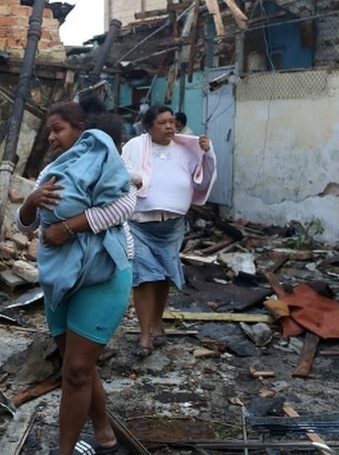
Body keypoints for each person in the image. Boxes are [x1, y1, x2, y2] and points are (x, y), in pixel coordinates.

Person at [16, 102, 134, 455]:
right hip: (60, 274)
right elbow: (26, 225)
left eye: (58, 129)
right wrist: (31, 201)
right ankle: (104, 433)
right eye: (50, 131)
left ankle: (64, 451)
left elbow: (126, 207)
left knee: (79, 367)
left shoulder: (109, 161)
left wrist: (68, 228)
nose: (51, 137)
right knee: (76, 367)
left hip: (104, 273)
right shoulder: (52, 171)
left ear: (81, 129)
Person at [121, 105, 216, 356]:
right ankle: (144, 336)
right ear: (149, 126)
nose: (170, 127)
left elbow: (203, 182)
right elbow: (120, 174)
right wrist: (134, 178)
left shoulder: (187, 149)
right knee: (143, 277)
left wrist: (208, 154)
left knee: (163, 276)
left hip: (172, 226)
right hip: (139, 224)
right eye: (162, 122)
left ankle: (157, 322)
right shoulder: (134, 147)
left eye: (172, 122)